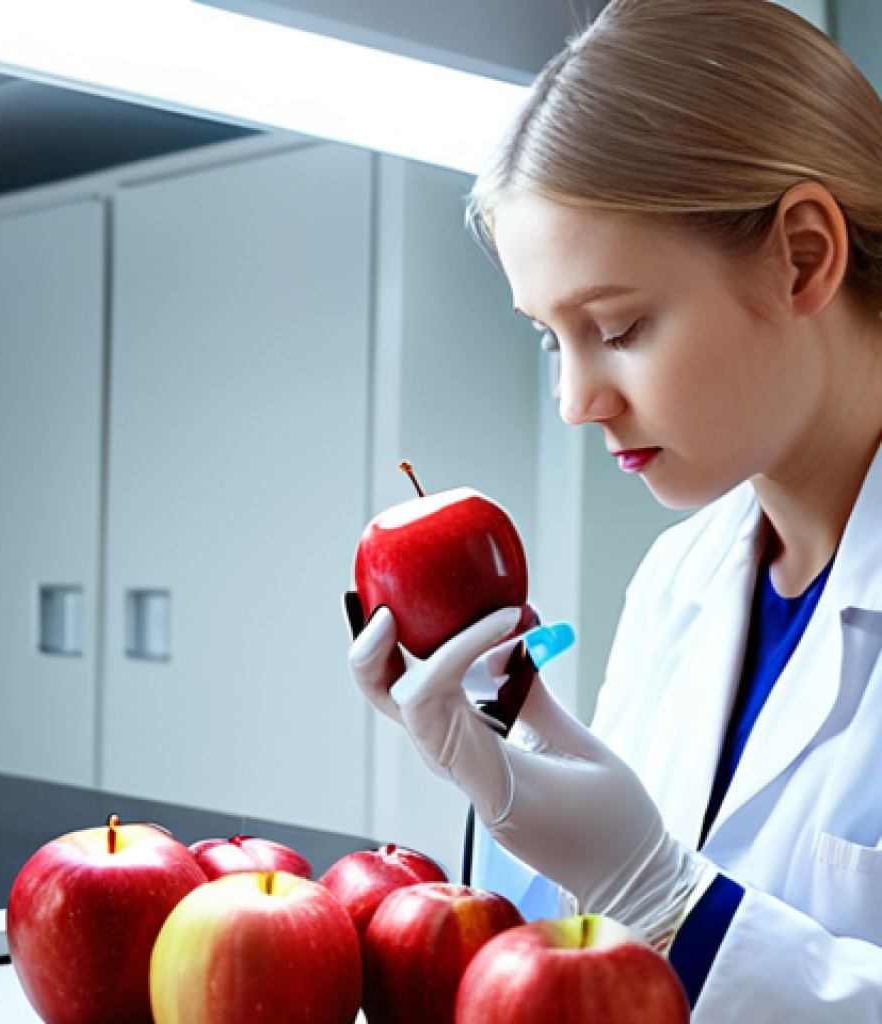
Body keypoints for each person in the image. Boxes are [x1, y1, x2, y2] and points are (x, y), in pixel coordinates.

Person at [346, 1, 882, 1019]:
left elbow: (670, 905)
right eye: (551, 337)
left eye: (617, 327)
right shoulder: (678, 582)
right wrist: (510, 789)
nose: (573, 401)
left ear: (802, 256)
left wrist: (671, 902)